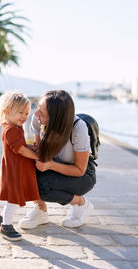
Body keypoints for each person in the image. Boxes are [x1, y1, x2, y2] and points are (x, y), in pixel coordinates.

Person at [19, 90, 96, 229]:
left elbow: (79, 170)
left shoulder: (78, 128)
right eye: (38, 109)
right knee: (19, 170)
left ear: (55, 117)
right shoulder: (37, 120)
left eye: (42, 113)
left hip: (83, 175)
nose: (36, 115)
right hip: (55, 164)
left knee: (41, 186)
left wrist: (51, 165)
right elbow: (41, 151)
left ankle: (80, 203)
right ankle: (40, 210)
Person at [0, 91, 40, 241]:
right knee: (13, 198)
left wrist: (33, 148)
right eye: (20, 112)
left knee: (13, 197)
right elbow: (21, 150)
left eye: (26, 113)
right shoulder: (10, 130)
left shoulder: (16, 127)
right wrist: (39, 157)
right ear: (7, 112)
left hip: (17, 169)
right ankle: (6, 226)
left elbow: (23, 145)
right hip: (14, 171)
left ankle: (1, 218)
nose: (24, 117)